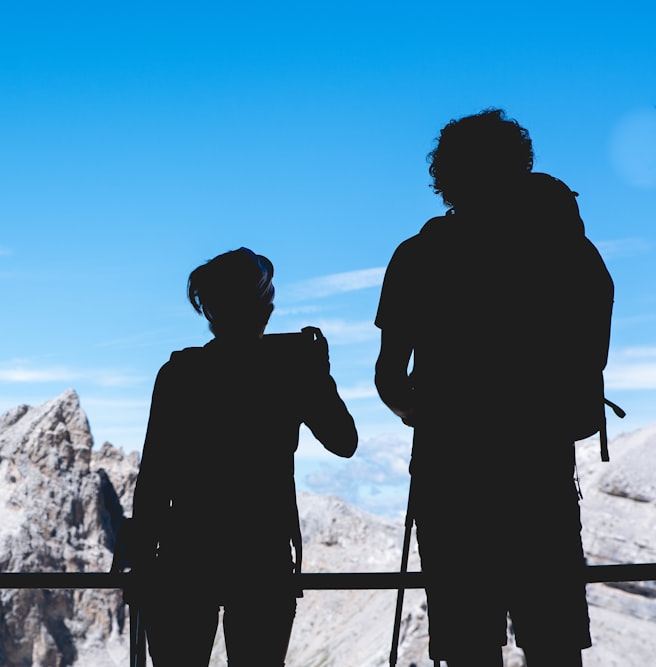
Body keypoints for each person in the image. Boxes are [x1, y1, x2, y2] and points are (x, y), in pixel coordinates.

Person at [375, 108, 613, 666]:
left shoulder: (419, 255)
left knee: (466, 642)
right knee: (553, 639)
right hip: (539, 467)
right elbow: (591, 350)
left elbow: (389, 377)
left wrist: (428, 411)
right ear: (520, 167)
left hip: (450, 470)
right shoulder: (568, 251)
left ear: (445, 177)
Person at [131, 247, 358, 667]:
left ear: (210, 311)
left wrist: (143, 563)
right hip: (262, 555)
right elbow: (344, 441)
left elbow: (154, 480)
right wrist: (319, 374)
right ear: (265, 309)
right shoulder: (290, 370)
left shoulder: (180, 374)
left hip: (186, 555)